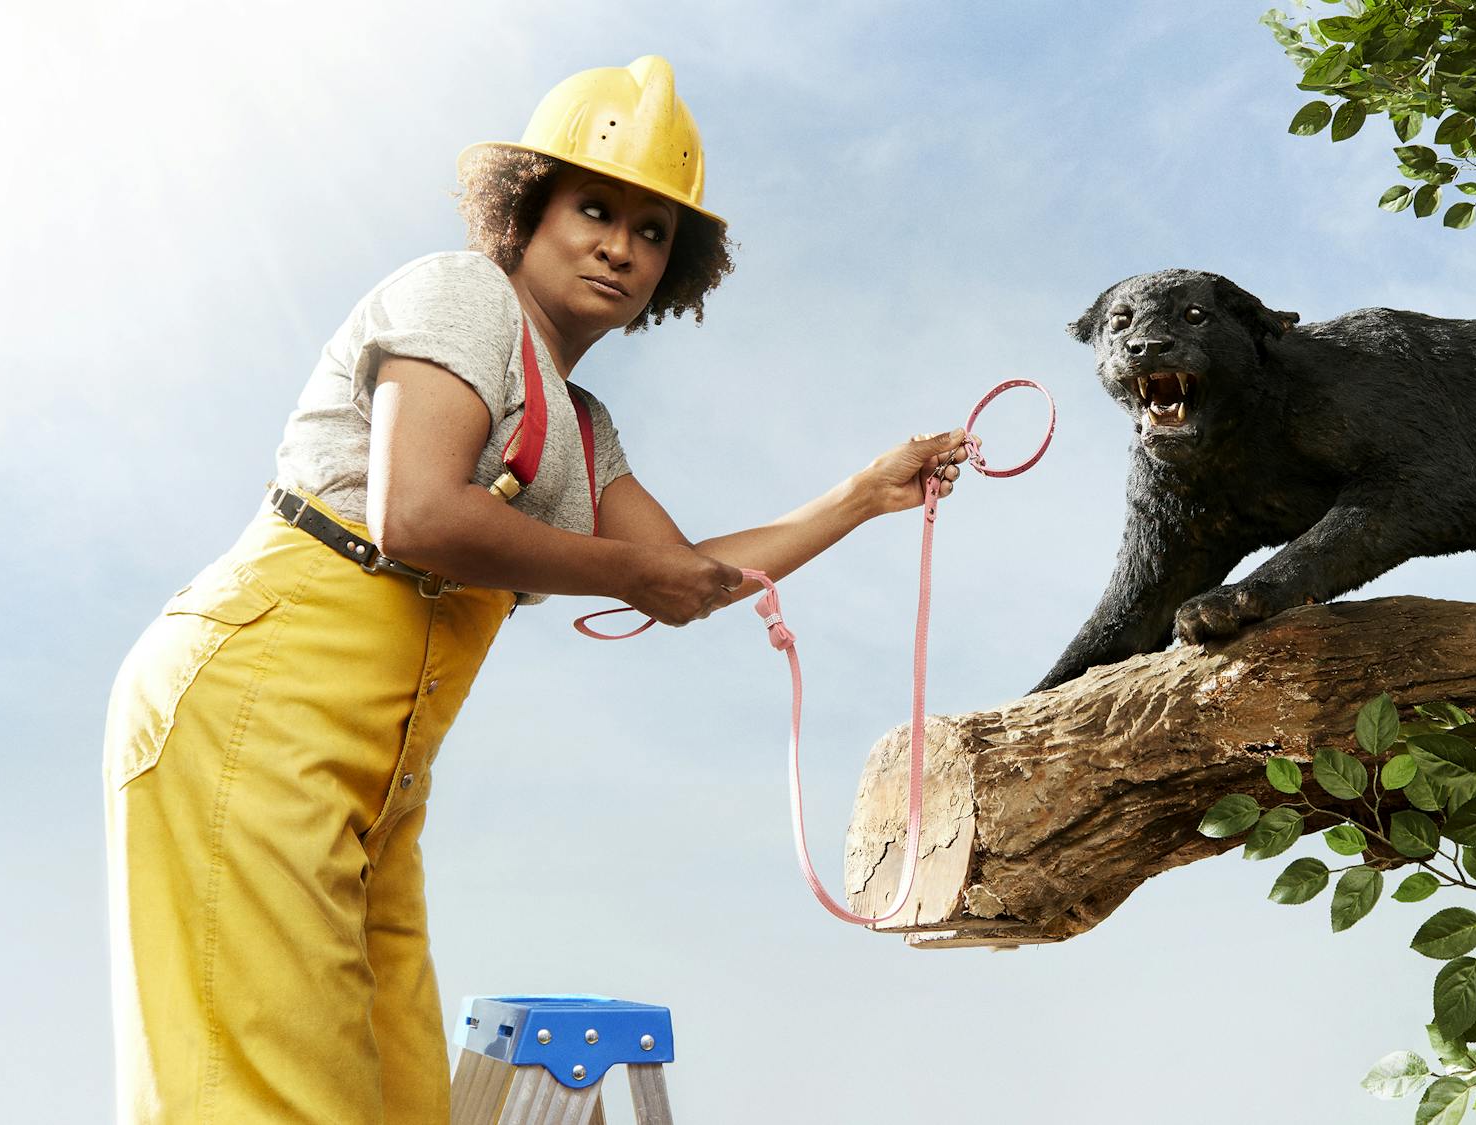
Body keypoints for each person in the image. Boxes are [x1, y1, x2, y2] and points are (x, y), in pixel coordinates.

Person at [103, 54, 973, 1122]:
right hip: (257, 705)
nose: (620, 246)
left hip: (374, 779)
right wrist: (628, 569)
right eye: (595, 209)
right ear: (525, 211)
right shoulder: (460, 293)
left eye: (652, 232)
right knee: (266, 1087)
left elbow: (687, 575)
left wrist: (858, 498)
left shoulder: (580, 425)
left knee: (393, 1087)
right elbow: (415, 513)